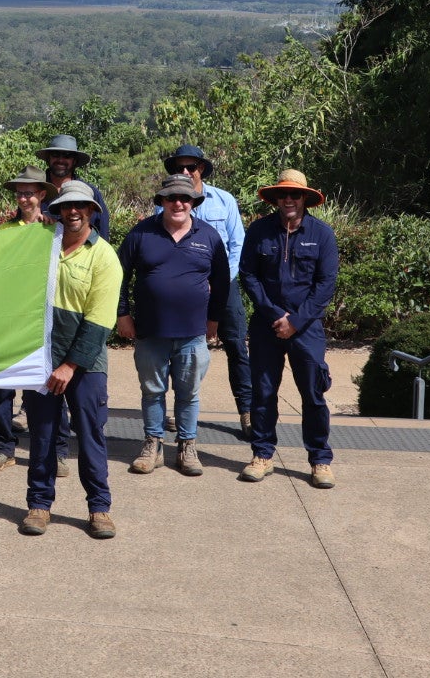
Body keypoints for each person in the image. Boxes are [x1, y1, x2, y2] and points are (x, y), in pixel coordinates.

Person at [19, 181, 121, 539]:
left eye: (81, 206)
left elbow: (99, 320)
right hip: (41, 359)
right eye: (66, 206)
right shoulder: (41, 245)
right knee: (43, 436)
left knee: (90, 436)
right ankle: (39, 505)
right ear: (59, 210)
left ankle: (99, 508)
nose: (73, 212)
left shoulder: (104, 255)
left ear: (92, 211)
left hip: (85, 364)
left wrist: (70, 365)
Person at [118, 173, 230, 477]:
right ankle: (152, 444)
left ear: (193, 202)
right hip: (150, 331)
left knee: (188, 393)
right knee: (152, 391)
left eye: (184, 198)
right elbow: (118, 275)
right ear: (162, 202)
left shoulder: (208, 236)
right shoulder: (141, 234)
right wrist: (122, 314)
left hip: (193, 332)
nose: (178, 203)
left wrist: (214, 320)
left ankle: (186, 446)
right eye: (171, 198)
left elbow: (221, 283)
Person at [238, 169, 339, 489]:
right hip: (266, 325)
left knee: (313, 394)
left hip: (307, 327)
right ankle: (262, 454)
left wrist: (295, 321)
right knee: (264, 393)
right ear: (276, 199)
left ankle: (320, 459)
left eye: (295, 195)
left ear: (305, 198)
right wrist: (273, 314)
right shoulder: (259, 231)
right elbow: (248, 275)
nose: (289, 200)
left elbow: (326, 284)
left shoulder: (322, 234)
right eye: (284, 195)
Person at [0, 166, 69, 475]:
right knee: (2, 390)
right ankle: (4, 447)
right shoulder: (4, 230)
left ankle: (56, 453)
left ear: (42, 195)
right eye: (20, 193)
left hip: (43, 321)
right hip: (8, 319)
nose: (24, 198)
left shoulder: (54, 230)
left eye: (29, 193)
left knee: (46, 390)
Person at [161, 144, 250, 434]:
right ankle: (176, 411)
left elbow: (238, 244)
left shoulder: (224, 201)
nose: (185, 172)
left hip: (225, 287)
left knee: (236, 346)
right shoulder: (163, 204)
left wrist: (222, 280)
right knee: (176, 348)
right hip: (183, 290)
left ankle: (247, 411)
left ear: (202, 169)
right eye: (179, 168)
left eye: (191, 167)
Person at [37, 134, 111, 240]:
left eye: (67, 155)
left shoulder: (91, 193)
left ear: (75, 161)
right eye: (55, 155)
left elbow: (102, 233)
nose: (61, 160)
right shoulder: (33, 192)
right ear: (48, 158)